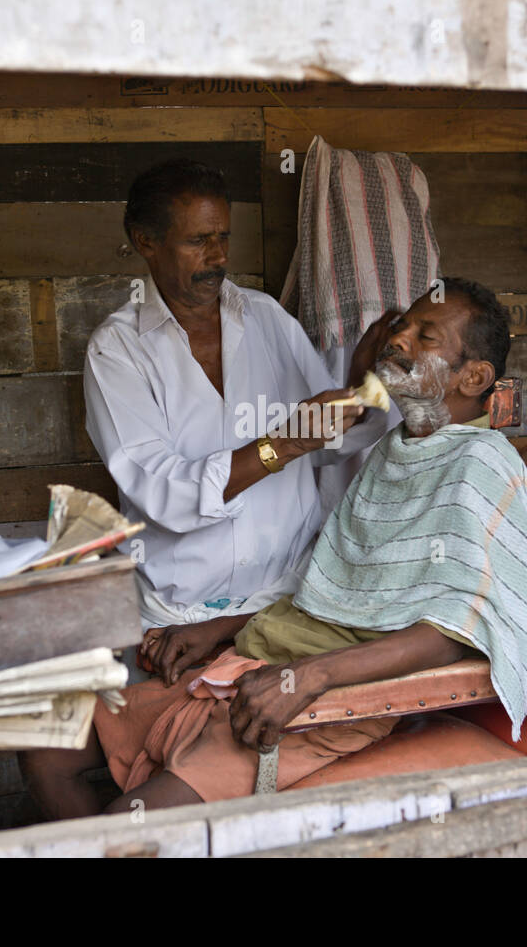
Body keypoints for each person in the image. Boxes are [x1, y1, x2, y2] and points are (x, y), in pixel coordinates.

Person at [21, 278, 527, 818]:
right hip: (265, 651)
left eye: (427, 337)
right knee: (46, 748)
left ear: (474, 376)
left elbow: (453, 631)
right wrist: (218, 629)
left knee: (126, 826)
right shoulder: (395, 452)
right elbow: (341, 597)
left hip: (328, 698)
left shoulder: (479, 466)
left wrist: (309, 678)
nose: (398, 340)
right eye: (402, 326)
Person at [80, 157, 394, 665]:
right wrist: (284, 443)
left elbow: (329, 447)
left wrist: (362, 390)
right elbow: (164, 492)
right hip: (177, 615)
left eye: (224, 236)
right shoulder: (117, 351)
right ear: (146, 242)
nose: (218, 256)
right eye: (197, 240)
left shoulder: (267, 318)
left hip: (283, 601)